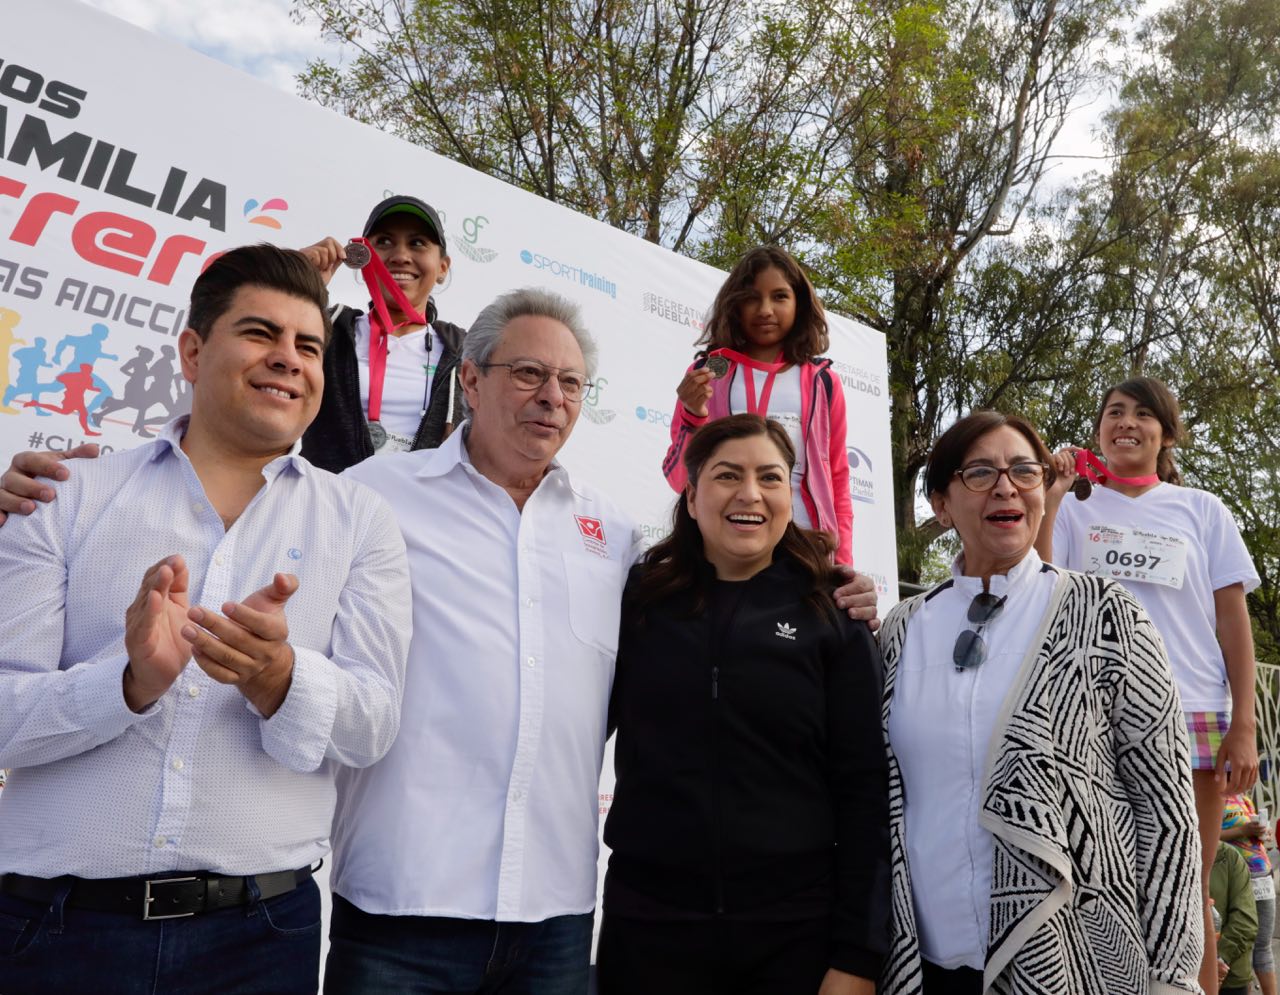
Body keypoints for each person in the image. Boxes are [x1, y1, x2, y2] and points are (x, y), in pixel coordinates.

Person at [0, 244, 412, 995]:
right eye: (261, 333)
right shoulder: (63, 495)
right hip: (56, 932)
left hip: (263, 938)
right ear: (193, 350)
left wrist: (283, 680)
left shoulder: (361, 521)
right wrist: (126, 685)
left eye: (309, 346)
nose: (288, 358)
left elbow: (374, 724)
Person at [880, 410, 1202, 994]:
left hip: (1077, 963)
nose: (1006, 486)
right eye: (979, 473)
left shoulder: (1106, 614)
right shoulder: (900, 630)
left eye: (1024, 470)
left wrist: (1172, 977)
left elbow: (1167, 811)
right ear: (941, 504)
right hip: (928, 965)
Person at [599, 414, 888, 995]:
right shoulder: (638, 601)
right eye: (727, 475)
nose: (749, 494)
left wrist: (857, 954)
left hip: (792, 936)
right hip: (649, 930)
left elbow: (865, 790)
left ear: (791, 494)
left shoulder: (834, 614)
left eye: (771, 478)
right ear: (692, 491)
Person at [1035, 375, 1260, 995]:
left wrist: (1244, 724)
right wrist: (1052, 498)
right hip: (1095, 717)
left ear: (1165, 433)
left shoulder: (1202, 510)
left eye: (1141, 414)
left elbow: (1231, 619)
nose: (1125, 422)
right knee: (1102, 883)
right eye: (1113, 411)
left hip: (1195, 710)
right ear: (1099, 428)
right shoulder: (1077, 505)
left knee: (1188, 888)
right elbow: (1043, 584)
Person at [663, 246, 853, 564]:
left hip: (804, 548)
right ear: (734, 305)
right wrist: (692, 417)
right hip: (727, 546)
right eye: (752, 297)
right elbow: (680, 478)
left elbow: (838, 479)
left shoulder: (823, 381)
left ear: (799, 303)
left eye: (779, 296)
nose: (765, 309)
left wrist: (843, 561)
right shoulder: (707, 373)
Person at [299, 194, 467, 469]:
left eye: (417, 243)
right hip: (327, 505)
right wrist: (299, 287)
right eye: (384, 242)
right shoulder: (327, 327)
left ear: (442, 268)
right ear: (362, 257)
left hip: (420, 509)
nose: (400, 256)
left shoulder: (467, 351)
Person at [1222, 793, 1277, 995]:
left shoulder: (1243, 798)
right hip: (1237, 880)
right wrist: (1242, 830)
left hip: (1263, 876)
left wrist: (1264, 834)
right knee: (1242, 945)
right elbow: (1206, 835)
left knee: (1263, 945)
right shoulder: (1214, 796)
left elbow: (1255, 835)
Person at [1211, 840, 1260, 995]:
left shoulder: (1228, 857)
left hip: (1229, 976)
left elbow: (1245, 920)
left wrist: (1219, 958)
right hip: (1177, 976)